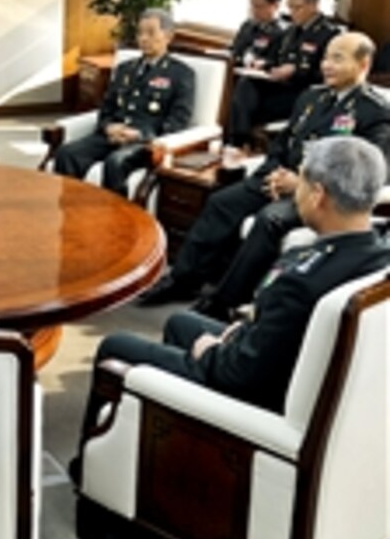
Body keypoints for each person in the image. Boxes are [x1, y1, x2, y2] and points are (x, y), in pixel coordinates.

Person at [79, 136, 389, 430]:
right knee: (180, 322)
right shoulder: (377, 256)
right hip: (289, 362)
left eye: (301, 181)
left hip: (261, 396)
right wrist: (243, 331)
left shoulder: (301, 283)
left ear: (318, 195)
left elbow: (241, 373)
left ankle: (89, 468)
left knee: (115, 346)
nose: (297, 191)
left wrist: (211, 352)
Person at [139, 32, 390, 311]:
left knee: (268, 220)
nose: (326, 64)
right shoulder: (311, 97)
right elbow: (283, 143)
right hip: (279, 179)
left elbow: (365, 174)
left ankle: (224, 302)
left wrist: (299, 184)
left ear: (363, 64)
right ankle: (182, 280)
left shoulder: (375, 112)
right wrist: (274, 174)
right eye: (326, 57)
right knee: (221, 202)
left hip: (320, 196)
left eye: (337, 58)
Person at [54, 8, 195, 196]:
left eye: (151, 33)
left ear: (168, 36)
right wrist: (108, 127)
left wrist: (139, 134)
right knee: (67, 153)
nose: (143, 39)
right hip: (112, 136)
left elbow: (179, 121)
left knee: (115, 163)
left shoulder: (181, 74)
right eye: (140, 33)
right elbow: (106, 108)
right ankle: (73, 213)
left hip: (143, 143)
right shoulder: (125, 69)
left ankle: (117, 222)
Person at [226, 0, 340, 150]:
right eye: (290, 7)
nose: (292, 13)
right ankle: (238, 141)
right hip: (279, 85)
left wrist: (295, 71)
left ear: (314, 4)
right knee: (245, 86)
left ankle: (240, 142)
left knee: (249, 103)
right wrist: (264, 64)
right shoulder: (290, 31)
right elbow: (278, 60)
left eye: (297, 7)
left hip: (303, 92)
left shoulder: (329, 34)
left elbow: (327, 75)